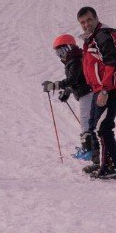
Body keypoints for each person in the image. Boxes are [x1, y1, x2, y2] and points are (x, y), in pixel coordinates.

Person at [77, 6, 116, 180]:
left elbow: (112, 63)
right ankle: (102, 163)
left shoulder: (102, 36)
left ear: (96, 18)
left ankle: (112, 168)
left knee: (103, 128)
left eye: (89, 20)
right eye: (82, 22)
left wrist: (105, 90)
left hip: (110, 89)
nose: (86, 24)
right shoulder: (91, 39)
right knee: (92, 125)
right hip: (99, 89)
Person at [42, 34, 98, 164]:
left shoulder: (76, 60)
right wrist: (67, 91)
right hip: (86, 93)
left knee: (85, 121)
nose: (60, 56)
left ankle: (88, 150)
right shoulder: (74, 60)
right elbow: (76, 81)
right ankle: (90, 149)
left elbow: (72, 79)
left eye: (62, 51)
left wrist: (54, 85)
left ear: (69, 48)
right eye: (58, 53)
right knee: (87, 121)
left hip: (87, 94)